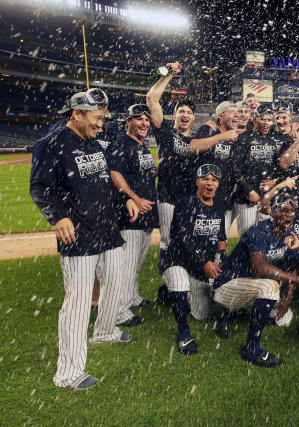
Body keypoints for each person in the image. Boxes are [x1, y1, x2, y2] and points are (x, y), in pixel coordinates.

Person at [30, 90, 139, 389]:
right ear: (76, 114)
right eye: (97, 118)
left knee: (116, 281)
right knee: (77, 303)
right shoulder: (50, 145)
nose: (101, 124)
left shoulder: (93, 143)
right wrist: (58, 216)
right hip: (78, 232)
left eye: (103, 119)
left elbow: (102, 180)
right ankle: (68, 373)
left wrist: (124, 199)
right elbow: (40, 187)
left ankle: (104, 330)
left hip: (106, 227)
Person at [213, 192, 299, 367]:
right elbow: (260, 267)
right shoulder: (258, 231)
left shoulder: (288, 233)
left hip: (251, 287)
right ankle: (252, 348)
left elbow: (292, 266)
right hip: (228, 285)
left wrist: (287, 299)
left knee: (284, 318)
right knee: (270, 287)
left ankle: (232, 316)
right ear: (273, 212)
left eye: (292, 212)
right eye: (284, 210)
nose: (288, 215)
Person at [160, 164, 227, 355]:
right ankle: (184, 334)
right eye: (205, 179)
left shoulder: (219, 208)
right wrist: (205, 262)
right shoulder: (185, 203)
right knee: (180, 284)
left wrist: (222, 257)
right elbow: (184, 238)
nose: (210, 183)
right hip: (176, 261)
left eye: (214, 180)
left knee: (201, 315)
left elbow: (221, 238)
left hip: (199, 267)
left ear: (217, 185)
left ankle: (166, 294)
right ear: (197, 182)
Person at [146, 61, 197, 300]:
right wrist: (169, 75)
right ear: (175, 115)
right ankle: (169, 288)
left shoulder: (195, 141)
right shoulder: (166, 132)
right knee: (167, 243)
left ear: (193, 117)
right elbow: (152, 100)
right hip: (167, 197)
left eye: (188, 112)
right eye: (181, 111)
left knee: (186, 241)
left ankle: (181, 284)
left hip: (187, 198)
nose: (185, 115)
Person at [107, 104, 159, 327]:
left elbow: (141, 172)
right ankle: (118, 310)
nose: (144, 123)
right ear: (128, 121)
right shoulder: (121, 142)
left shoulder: (141, 145)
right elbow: (114, 172)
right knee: (126, 265)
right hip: (130, 213)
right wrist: (134, 198)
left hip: (145, 214)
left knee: (136, 262)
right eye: (139, 119)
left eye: (147, 120)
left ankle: (131, 297)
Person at [190, 101, 241, 237]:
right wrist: (222, 136)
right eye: (232, 112)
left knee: (221, 239)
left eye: (238, 113)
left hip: (226, 197)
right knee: (202, 237)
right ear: (220, 116)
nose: (236, 115)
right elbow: (194, 147)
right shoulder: (208, 129)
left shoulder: (236, 137)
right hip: (206, 196)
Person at [232, 103, 282, 236]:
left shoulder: (273, 141)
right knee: (247, 237)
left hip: (266, 199)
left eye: (269, 120)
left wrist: (275, 182)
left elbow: (279, 169)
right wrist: (249, 190)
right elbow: (235, 169)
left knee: (265, 236)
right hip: (246, 199)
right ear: (254, 120)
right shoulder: (244, 138)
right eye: (262, 119)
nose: (266, 123)